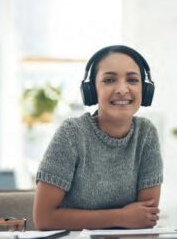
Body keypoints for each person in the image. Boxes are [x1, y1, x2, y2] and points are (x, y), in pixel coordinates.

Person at [33, 45, 163, 230]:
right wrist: (121, 217)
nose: (122, 89)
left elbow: (144, 217)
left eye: (132, 80)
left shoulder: (146, 134)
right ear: (91, 90)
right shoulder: (72, 133)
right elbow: (44, 219)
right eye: (109, 80)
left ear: (145, 89)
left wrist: (127, 218)